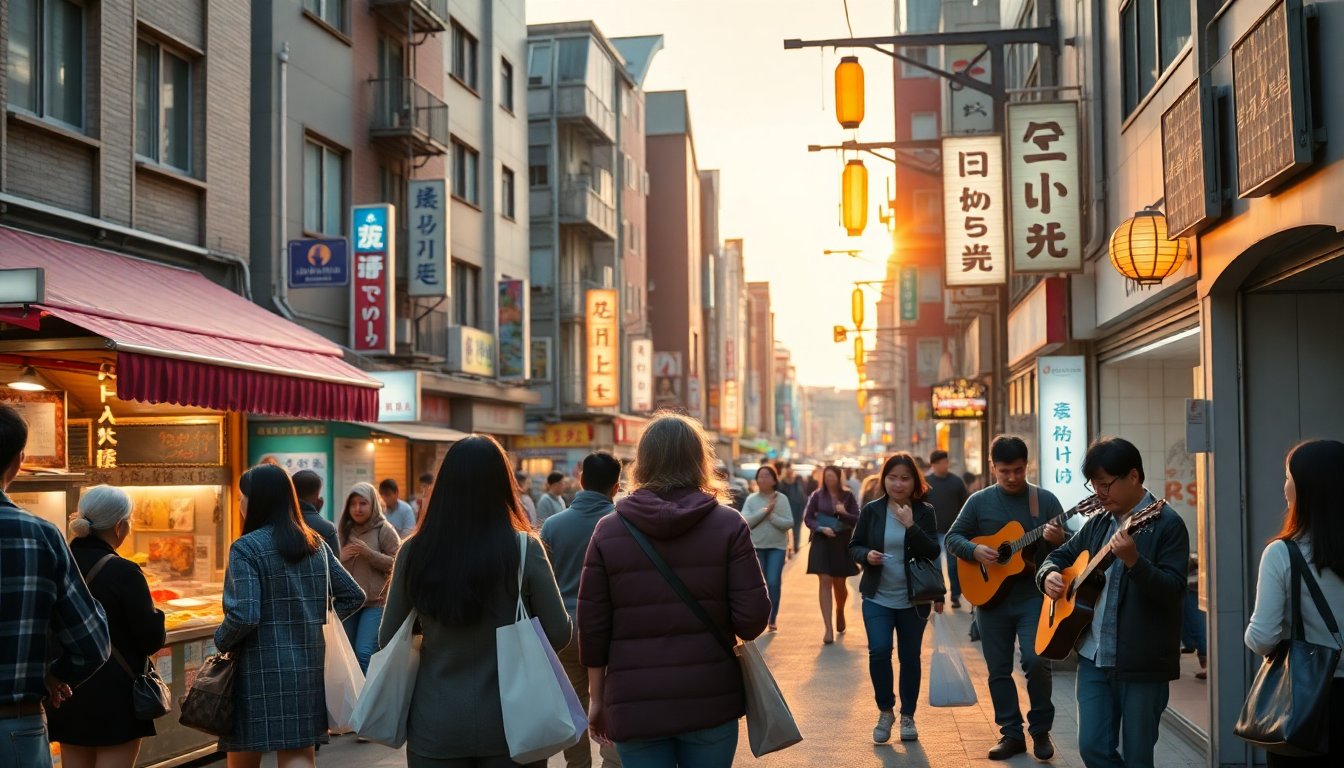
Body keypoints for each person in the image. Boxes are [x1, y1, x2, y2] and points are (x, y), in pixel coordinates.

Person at [579, 413, 770, 766]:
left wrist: (597, 697)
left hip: (635, 702)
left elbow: (592, 628)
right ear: (700, 460)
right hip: (710, 695)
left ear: (642, 462)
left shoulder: (609, 530)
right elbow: (752, 620)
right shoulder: (730, 525)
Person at [381, 435, 570, 767]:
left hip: (435, 725)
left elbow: (386, 638)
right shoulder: (524, 549)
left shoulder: (414, 551)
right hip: (514, 726)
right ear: (503, 485)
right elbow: (559, 632)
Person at [1038, 437, 1189, 768]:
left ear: (1133, 477)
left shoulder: (1166, 524)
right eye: (1094, 485)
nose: (1100, 493)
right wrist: (1048, 574)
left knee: (1137, 755)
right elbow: (1061, 555)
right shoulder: (1100, 522)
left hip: (1141, 661)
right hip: (1094, 655)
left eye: (1106, 484)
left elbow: (1174, 591)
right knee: (1091, 747)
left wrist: (1136, 563)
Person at [216, 464, 364, 768]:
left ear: (257, 501)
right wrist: (316, 622)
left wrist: (220, 641)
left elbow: (244, 614)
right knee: (298, 755)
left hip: (256, 669)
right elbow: (354, 595)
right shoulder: (315, 544)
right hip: (309, 667)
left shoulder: (245, 548)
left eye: (243, 497)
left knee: (244, 754)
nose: (240, 503)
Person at [0, 404, 110, 768]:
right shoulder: (40, 535)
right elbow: (92, 644)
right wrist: (54, 675)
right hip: (15, 726)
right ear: (19, 461)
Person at [945, 435, 1066, 760]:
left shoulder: (1045, 501)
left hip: (1033, 597)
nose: (1012, 477)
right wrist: (974, 549)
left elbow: (1072, 548)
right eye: (1004, 472)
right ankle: (1010, 734)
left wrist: (1057, 540)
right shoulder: (979, 501)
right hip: (990, 601)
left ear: (1027, 466)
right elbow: (952, 538)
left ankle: (1040, 731)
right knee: (998, 669)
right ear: (992, 468)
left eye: (1018, 470)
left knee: (1036, 661)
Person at [47, 486, 164, 768]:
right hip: (115, 697)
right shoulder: (124, 571)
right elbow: (150, 639)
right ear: (119, 526)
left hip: (65, 689)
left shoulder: (56, 561)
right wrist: (157, 615)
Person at [1245, 439, 1344, 766]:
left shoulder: (1283, 553)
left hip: (1307, 703)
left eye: (1288, 477)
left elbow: (1262, 639)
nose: (1284, 486)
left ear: (1305, 489)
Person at [849, 453, 943, 744]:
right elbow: (854, 546)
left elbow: (932, 551)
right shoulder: (872, 510)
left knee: (910, 657)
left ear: (914, 481)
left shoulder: (924, 511)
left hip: (914, 600)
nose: (898, 483)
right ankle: (885, 710)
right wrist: (867, 556)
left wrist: (910, 525)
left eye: (904, 478)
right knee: (878, 651)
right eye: (892, 477)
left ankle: (908, 716)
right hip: (877, 595)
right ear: (884, 479)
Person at [540, 452, 624, 768]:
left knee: (572, 706)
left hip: (565, 630)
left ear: (581, 479)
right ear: (616, 487)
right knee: (612, 701)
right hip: (613, 632)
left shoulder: (552, 526)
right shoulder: (625, 524)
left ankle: (578, 765)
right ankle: (611, 761)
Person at [337, 482, 401, 674]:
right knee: (346, 656)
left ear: (372, 504)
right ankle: (354, 702)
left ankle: (368, 701)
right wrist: (340, 558)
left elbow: (398, 563)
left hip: (375, 603)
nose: (357, 508)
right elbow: (334, 566)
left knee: (364, 653)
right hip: (349, 603)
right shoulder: (344, 530)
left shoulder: (384, 529)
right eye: (353, 504)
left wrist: (369, 554)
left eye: (363, 503)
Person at [804, 465, 861, 645]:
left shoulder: (848, 496)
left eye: (832, 477)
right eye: (826, 477)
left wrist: (844, 512)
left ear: (838, 478)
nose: (829, 480)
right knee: (825, 580)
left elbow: (856, 518)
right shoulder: (817, 495)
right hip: (822, 540)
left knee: (839, 583)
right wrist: (820, 528)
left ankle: (840, 610)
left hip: (841, 542)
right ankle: (828, 628)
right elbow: (808, 518)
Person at [742, 465, 794, 632]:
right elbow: (746, 521)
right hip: (756, 547)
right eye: (760, 476)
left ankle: (772, 618)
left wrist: (772, 515)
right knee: (758, 585)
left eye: (766, 476)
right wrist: (765, 511)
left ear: (774, 479)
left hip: (777, 548)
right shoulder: (751, 499)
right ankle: (760, 617)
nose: (762, 479)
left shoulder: (782, 499)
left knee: (773, 582)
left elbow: (789, 522)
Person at [926, 450, 970, 609]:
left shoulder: (956, 482)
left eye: (946, 461)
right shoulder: (926, 483)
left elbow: (965, 505)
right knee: (936, 565)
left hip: (953, 531)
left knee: (953, 565)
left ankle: (956, 595)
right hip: (932, 531)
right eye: (940, 462)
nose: (944, 465)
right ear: (933, 465)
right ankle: (939, 595)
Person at [292, 469, 339, 555]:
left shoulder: (281, 522)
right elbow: (335, 565)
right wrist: (315, 514)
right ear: (317, 494)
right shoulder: (328, 529)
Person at [1182, 555, 1207, 680]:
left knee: (1195, 621)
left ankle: (1206, 661)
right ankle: (1205, 659)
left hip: (1190, 582)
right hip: (1191, 580)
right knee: (1192, 620)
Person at [777, 462, 809, 556]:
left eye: (791, 471)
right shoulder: (781, 484)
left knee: (796, 531)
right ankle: (787, 549)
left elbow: (802, 496)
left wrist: (803, 508)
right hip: (785, 512)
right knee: (785, 532)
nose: (790, 473)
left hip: (797, 511)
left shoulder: (798, 482)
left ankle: (795, 547)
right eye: (787, 472)